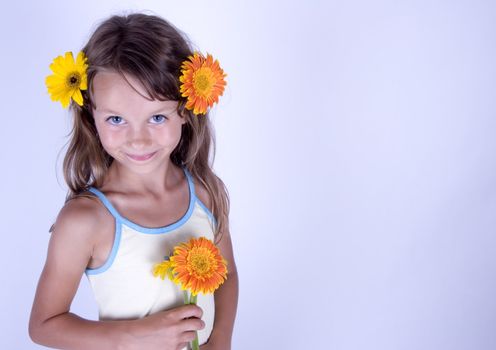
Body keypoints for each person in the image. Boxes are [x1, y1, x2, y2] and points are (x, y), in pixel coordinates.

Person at [29, 12, 238, 350]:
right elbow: (44, 325)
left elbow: (226, 277)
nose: (138, 140)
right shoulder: (86, 221)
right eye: (116, 119)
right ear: (90, 116)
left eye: (157, 117)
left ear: (184, 110)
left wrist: (221, 340)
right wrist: (136, 335)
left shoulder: (203, 191)